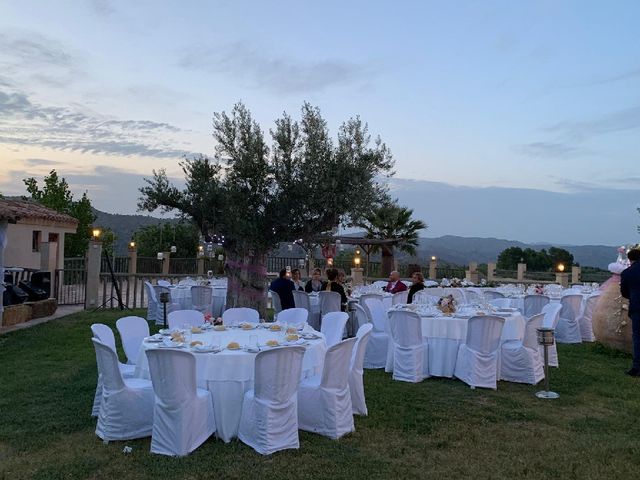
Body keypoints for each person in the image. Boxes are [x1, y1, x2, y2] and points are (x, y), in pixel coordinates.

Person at [621, 248, 640, 376]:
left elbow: (624, 292)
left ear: (630, 259)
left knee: (638, 337)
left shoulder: (627, 272)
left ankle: (637, 367)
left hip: (637, 307)